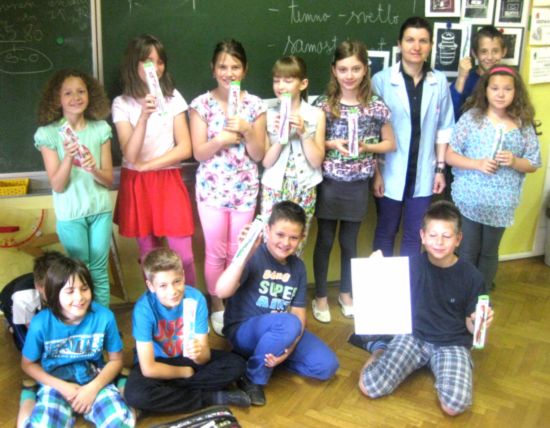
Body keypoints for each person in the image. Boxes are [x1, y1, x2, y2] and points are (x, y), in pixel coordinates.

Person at [359, 200, 494, 416]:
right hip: (413, 336)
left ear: (458, 239)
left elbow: (472, 328)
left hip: (452, 343)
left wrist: (479, 321)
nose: (439, 242)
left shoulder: (472, 276)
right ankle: (380, 349)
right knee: (369, 386)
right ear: (422, 236)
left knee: (454, 406)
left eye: (447, 236)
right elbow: (384, 300)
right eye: (432, 235)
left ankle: (446, 366)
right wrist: (376, 270)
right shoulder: (409, 266)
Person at [216, 201, 339, 406]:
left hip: (280, 332)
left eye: (293, 237)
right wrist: (243, 253)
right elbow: (221, 291)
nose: (285, 242)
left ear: (302, 238)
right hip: (244, 330)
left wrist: (288, 350)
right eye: (280, 234)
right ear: (267, 230)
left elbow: (299, 314)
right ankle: (253, 377)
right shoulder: (253, 255)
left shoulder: (298, 267)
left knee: (327, 366)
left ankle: (265, 358)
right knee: (288, 323)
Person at [312, 40, 395, 323]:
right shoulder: (324, 105)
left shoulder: (375, 106)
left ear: (365, 70)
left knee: (349, 242)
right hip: (328, 183)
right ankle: (320, 296)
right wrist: (331, 143)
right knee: (324, 241)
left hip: (358, 185)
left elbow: (390, 144)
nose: (349, 75)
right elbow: (312, 143)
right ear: (333, 71)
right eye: (343, 69)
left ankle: (346, 293)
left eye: (356, 69)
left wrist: (367, 148)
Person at [189, 39, 266, 335]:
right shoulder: (201, 105)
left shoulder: (255, 105)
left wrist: (247, 130)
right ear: (213, 69)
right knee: (216, 252)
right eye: (223, 66)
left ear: (244, 70)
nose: (229, 72)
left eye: (235, 66)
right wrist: (220, 138)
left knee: (239, 251)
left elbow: (258, 154)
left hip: (244, 190)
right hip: (212, 191)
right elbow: (198, 153)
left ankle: (236, 302)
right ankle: (217, 304)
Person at [445, 65, 541, 291]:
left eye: (507, 89)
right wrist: (477, 163)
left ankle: (482, 295)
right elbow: (450, 155)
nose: (500, 94)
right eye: (495, 88)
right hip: (470, 199)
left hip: (501, 203)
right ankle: (464, 293)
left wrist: (514, 161)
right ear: (485, 90)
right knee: (468, 249)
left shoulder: (522, 124)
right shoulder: (471, 118)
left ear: (516, 92)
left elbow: (533, 163)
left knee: (489, 252)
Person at [112, 34, 196, 284]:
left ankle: (190, 303)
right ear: (134, 63)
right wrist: (143, 117)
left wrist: (149, 166)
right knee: (150, 257)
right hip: (137, 184)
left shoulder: (173, 98)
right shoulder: (122, 103)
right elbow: (130, 154)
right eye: (148, 62)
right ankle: (158, 304)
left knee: (184, 257)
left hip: (168, 178)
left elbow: (185, 148)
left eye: (160, 62)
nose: (156, 68)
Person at [123, 248, 250, 413]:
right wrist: (184, 372)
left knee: (236, 364)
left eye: (177, 281)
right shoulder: (143, 309)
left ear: (183, 275)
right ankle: (212, 397)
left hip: (186, 358)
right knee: (135, 395)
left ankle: (169, 393)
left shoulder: (196, 298)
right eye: (163, 285)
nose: (172, 291)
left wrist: (199, 354)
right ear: (151, 286)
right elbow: (148, 368)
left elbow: (204, 357)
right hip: (158, 363)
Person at [371, 17, 455, 257]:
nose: (416, 47)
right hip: (389, 171)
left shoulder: (439, 81)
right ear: (399, 44)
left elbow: (444, 127)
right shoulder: (382, 80)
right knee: (385, 231)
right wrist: (376, 173)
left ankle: (409, 282)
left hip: (425, 171)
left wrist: (440, 169)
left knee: (415, 234)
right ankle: (381, 280)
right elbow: (372, 131)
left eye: (423, 41)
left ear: (430, 45)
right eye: (410, 40)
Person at [18, 256, 134, 427]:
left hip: (93, 379)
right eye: (70, 291)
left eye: (84, 288)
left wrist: (92, 388)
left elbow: (116, 360)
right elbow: (27, 364)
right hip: (56, 383)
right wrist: (62, 387)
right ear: (54, 294)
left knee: (121, 422)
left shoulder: (105, 317)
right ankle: (29, 395)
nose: (79, 297)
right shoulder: (40, 323)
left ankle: (121, 382)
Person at [35, 69, 114, 307]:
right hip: (71, 214)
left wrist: (94, 169)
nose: (76, 97)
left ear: (90, 95)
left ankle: (102, 321)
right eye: (68, 93)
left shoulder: (100, 129)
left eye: (81, 91)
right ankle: (82, 320)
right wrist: (69, 157)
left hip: (100, 210)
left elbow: (108, 180)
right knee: (79, 272)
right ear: (57, 98)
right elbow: (58, 185)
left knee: (99, 271)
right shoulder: (48, 134)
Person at [261, 55, 325, 252]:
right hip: (274, 187)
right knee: (271, 244)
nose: (281, 86)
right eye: (277, 80)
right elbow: (266, 162)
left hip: (304, 188)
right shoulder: (267, 114)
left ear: (303, 84)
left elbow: (316, 161)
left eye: (288, 80)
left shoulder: (316, 115)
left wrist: (304, 132)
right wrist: (282, 136)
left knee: (295, 245)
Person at [0, 251, 64, 351]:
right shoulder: (24, 299)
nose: (59, 295)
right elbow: (32, 329)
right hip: (9, 299)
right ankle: (9, 322)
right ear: (39, 287)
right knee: (26, 345)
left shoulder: (64, 280)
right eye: (53, 291)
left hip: (36, 296)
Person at [450, 25, 507, 121]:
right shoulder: (466, 80)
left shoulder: (510, 81)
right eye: (484, 51)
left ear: (504, 52)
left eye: (495, 51)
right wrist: (461, 78)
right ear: (475, 53)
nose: (490, 57)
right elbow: (449, 116)